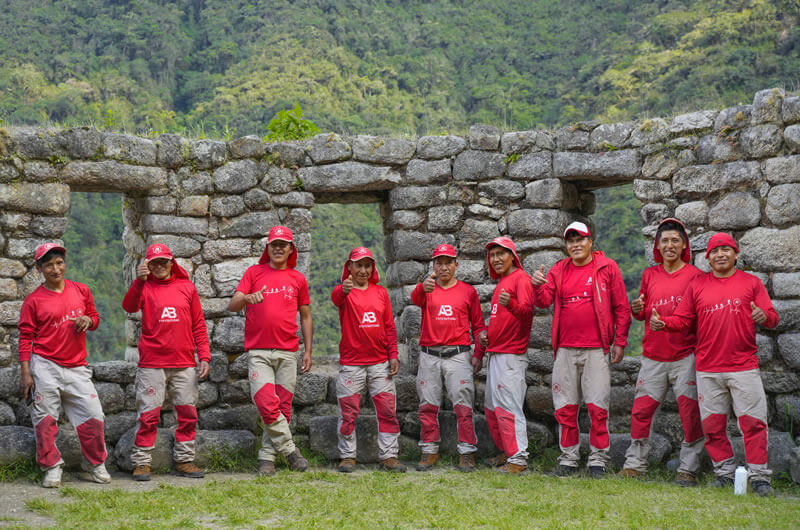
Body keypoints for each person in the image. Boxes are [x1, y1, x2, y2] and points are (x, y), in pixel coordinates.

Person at [650, 232, 779, 497]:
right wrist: (664, 323)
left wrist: (763, 315)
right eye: (714, 251)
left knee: (753, 424)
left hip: (743, 366)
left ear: (735, 254)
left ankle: (759, 477)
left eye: (726, 250)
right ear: (706, 257)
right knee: (712, 427)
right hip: (708, 368)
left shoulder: (751, 283)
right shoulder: (698, 285)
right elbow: (683, 319)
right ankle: (724, 472)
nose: (720, 255)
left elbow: (773, 318)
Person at [532, 221, 631, 477]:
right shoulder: (559, 269)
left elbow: (621, 307)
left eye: (580, 239)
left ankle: (598, 461)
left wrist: (619, 341)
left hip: (596, 348)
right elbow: (543, 300)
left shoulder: (607, 267)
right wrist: (537, 284)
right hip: (565, 349)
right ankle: (568, 459)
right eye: (570, 240)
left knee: (598, 407)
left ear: (590, 241)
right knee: (566, 408)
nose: (575, 244)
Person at [617, 218, 705, 486]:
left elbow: (694, 318)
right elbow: (644, 312)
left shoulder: (695, 277)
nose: (669, 245)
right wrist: (637, 310)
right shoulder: (649, 275)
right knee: (642, 411)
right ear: (657, 246)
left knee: (690, 413)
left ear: (683, 246)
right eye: (664, 241)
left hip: (685, 357)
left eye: (675, 241)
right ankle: (635, 463)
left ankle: (688, 467)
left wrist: (664, 322)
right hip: (653, 356)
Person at [17, 243, 111, 488]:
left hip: (77, 366)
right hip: (45, 364)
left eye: (59, 263)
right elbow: (26, 337)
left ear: (65, 264)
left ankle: (94, 464)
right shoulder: (33, 301)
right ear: (40, 269)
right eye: (48, 265)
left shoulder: (81, 290)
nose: (55, 269)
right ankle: (51, 467)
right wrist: (26, 372)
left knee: (93, 415)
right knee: (45, 419)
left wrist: (88, 320)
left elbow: (96, 318)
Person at [122, 243, 211, 481]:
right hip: (152, 362)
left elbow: (198, 325)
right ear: (148, 266)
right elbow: (129, 306)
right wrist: (138, 281)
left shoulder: (186, 288)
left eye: (164, 261)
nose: (160, 266)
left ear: (172, 263)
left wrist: (204, 355)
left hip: (184, 362)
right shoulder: (144, 287)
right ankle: (141, 462)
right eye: (154, 263)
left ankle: (185, 459)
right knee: (148, 413)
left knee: (187, 413)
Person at [228, 226, 311, 476]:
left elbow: (306, 316)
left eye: (283, 244)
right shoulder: (254, 273)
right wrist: (247, 298)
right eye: (274, 244)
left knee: (281, 408)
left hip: (288, 352)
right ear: (268, 247)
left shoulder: (297, 278)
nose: (278, 248)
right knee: (265, 402)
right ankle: (290, 451)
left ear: (290, 249)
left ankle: (267, 459)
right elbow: (232, 305)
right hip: (259, 352)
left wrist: (308, 350)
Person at [411, 244, 487, 472]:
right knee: (427, 403)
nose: (443, 267)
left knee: (463, 404)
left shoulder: (468, 292)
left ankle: (466, 451)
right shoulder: (427, 288)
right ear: (433, 266)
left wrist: (478, 354)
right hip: (429, 354)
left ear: (456, 264)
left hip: (458, 354)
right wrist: (422, 288)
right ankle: (429, 449)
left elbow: (479, 326)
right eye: (439, 263)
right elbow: (415, 299)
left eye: (448, 262)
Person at [331, 247, 406, 473]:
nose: (362, 270)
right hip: (352, 364)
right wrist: (343, 289)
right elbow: (336, 297)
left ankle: (389, 456)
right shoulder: (344, 292)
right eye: (358, 266)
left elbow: (389, 327)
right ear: (350, 268)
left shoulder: (381, 293)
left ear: (372, 268)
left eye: (367, 266)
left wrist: (393, 354)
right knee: (348, 412)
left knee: (387, 411)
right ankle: (347, 456)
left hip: (379, 363)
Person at [476, 236, 534, 474]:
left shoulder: (521, 279)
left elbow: (528, 312)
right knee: (492, 408)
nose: (496, 259)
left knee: (509, 408)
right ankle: (506, 452)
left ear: (513, 256)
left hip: (511, 355)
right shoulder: (503, 282)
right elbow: (502, 318)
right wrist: (487, 336)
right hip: (496, 353)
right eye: (492, 255)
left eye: (501, 253)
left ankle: (518, 459)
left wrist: (510, 303)